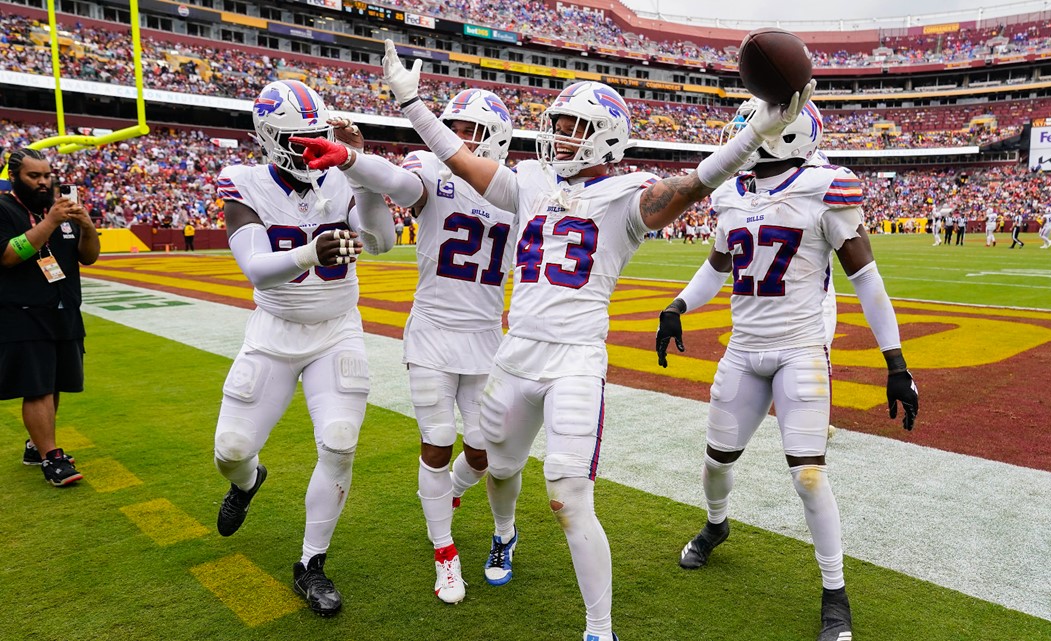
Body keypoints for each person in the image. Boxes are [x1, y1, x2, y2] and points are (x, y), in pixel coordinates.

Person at [383, 39, 813, 641]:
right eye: (556, 123)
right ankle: (503, 535)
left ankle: (599, 628)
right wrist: (412, 104)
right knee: (500, 470)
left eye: (570, 126)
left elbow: (692, 185)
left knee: (567, 496)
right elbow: (461, 161)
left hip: (575, 361)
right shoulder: (529, 181)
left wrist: (749, 140)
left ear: (604, 135)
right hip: (514, 356)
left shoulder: (626, 198)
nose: (556, 135)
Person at [655, 98, 919, 641]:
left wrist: (895, 363)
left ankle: (835, 593)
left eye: (752, 128)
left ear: (786, 135)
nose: (742, 136)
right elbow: (715, 269)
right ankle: (716, 524)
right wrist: (677, 307)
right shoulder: (731, 194)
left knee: (809, 474)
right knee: (716, 464)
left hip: (799, 348)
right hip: (743, 349)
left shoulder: (826, 188)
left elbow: (867, 281)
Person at [293, 87, 518, 605]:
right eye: (455, 129)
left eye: (471, 133)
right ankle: (445, 553)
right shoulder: (430, 170)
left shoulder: (514, 189)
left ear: (497, 141)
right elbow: (394, 180)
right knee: (438, 441)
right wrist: (353, 158)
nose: (459, 140)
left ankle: (453, 497)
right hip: (433, 332)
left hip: (486, 336)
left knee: (487, 453)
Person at [210, 80, 395, 618]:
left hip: (336, 328)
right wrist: (311, 251)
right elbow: (256, 270)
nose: (310, 148)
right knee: (232, 450)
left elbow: (382, 242)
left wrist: (362, 176)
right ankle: (248, 483)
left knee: (339, 441)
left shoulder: (338, 178)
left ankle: (311, 564)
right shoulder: (244, 183)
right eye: (297, 138)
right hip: (274, 330)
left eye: (317, 135)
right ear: (268, 139)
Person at [0, 148, 100, 486]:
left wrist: (86, 226)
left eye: (47, 176)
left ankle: (36, 446)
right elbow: (8, 256)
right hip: (23, 311)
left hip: (64, 307)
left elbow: (89, 258)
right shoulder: (4, 209)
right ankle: (51, 458)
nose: (43, 182)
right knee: (37, 386)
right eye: (34, 176)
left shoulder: (63, 211)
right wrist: (51, 221)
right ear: (14, 177)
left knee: (54, 382)